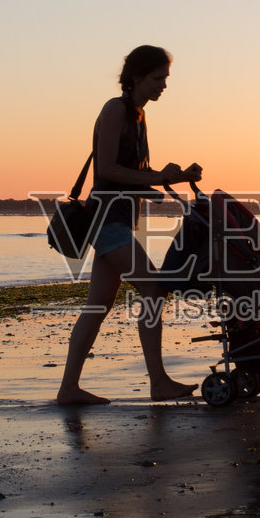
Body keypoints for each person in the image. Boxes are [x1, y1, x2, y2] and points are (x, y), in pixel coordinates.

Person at [56, 45, 203, 406]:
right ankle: (158, 382)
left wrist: (177, 177)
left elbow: (132, 176)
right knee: (154, 291)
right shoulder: (115, 109)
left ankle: (68, 389)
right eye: (158, 78)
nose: (163, 85)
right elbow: (105, 170)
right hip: (107, 220)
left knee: (98, 306)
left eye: (165, 78)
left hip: (119, 220)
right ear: (138, 77)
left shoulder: (137, 114)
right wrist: (154, 176)